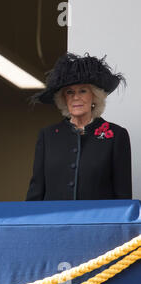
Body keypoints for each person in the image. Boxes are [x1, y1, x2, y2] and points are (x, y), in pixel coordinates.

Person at [26, 53, 132, 201]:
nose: (76, 97)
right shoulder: (48, 136)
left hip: (98, 222)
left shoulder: (116, 135)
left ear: (94, 96)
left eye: (83, 91)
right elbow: (36, 192)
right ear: (63, 99)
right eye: (70, 92)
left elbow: (123, 197)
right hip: (55, 222)